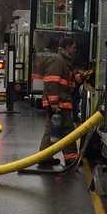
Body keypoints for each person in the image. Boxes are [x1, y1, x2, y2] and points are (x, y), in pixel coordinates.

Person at [37, 36, 78, 169]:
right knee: (66, 131)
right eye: (74, 47)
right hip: (59, 103)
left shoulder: (64, 61)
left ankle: (45, 157)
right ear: (67, 47)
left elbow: (66, 83)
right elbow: (52, 81)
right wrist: (54, 103)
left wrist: (78, 78)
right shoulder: (58, 60)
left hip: (61, 102)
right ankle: (70, 159)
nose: (75, 50)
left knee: (54, 130)